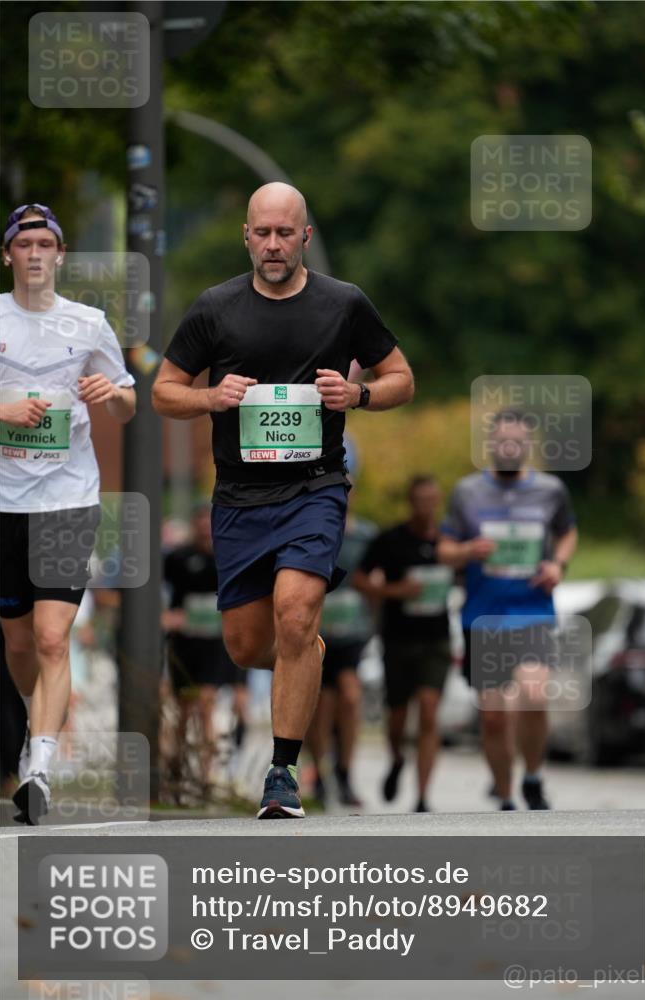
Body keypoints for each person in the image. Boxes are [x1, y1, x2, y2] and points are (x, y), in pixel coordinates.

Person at [152, 182, 414, 818]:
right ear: (246, 236)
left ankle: (282, 773)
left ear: (306, 237)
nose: (273, 244)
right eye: (262, 233)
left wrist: (358, 398)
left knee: (296, 615)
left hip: (315, 489)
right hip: (240, 498)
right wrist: (212, 398)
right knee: (247, 645)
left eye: (284, 233)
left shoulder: (343, 304)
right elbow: (164, 391)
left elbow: (401, 378)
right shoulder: (215, 309)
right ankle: (305, 656)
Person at [0, 203, 136, 824]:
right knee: (20, 642)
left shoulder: (89, 322)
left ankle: (40, 766)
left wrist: (114, 396)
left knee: (54, 638)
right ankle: (34, 725)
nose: (33, 253)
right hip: (4, 500)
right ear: (9, 255)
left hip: (68, 499)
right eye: (23, 243)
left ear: (58, 256)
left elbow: (129, 401)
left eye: (44, 243)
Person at [438, 410, 578, 811]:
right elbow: (444, 551)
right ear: (491, 445)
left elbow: (567, 531)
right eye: (503, 441)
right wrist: (467, 551)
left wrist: (558, 565)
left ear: (528, 446)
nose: (509, 448)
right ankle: (504, 794)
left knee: (534, 694)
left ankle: (532, 777)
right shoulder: (467, 493)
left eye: (517, 441)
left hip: (532, 611)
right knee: (495, 716)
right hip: (483, 617)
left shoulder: (551, 490)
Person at [353, 476, 453, 812]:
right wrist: (394, 592)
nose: (426, 505)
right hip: (398, 638)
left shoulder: (448, 541)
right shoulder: (390, 540)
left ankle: (423, 796)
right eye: (420, 499)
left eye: (432, 499)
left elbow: (467, 571)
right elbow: (359, 579)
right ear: (411, 502)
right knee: (397, 718)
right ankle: (396, 758)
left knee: (428, 712)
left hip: (437, 638)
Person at [162, 503, 248, 792]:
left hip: (216, 644)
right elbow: (155, 592)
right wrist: (166, 616)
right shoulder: (178, 558)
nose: (204, 528)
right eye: (200, 522)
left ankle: (206, 774)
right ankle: (176, 765)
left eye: (209, 522)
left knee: (207, 701)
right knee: (184, 708)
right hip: (185, 645)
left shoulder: (231, 557)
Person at [306, 497, 378, 807]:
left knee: (350, 696)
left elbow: (379, 577)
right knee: (321, 704)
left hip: (352, 630)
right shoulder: (309, 529)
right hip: (315, 628)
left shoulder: (366, 535)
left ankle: (345, 772)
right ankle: (321, 774)